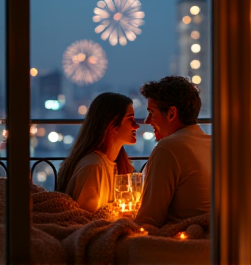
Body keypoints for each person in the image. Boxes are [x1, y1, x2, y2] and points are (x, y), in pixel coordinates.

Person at [134, 76, 211, 228]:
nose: (147, 121)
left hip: (182, 244)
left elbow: (148, 220)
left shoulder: (167, 148)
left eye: (152, 113)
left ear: (171, 114)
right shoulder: (214, 144)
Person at [57, 92, 139, 213]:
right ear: (112, 125)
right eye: (130, 119)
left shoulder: (113, 164)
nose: (136, 126)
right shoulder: (93, 167)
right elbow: (86, 222)